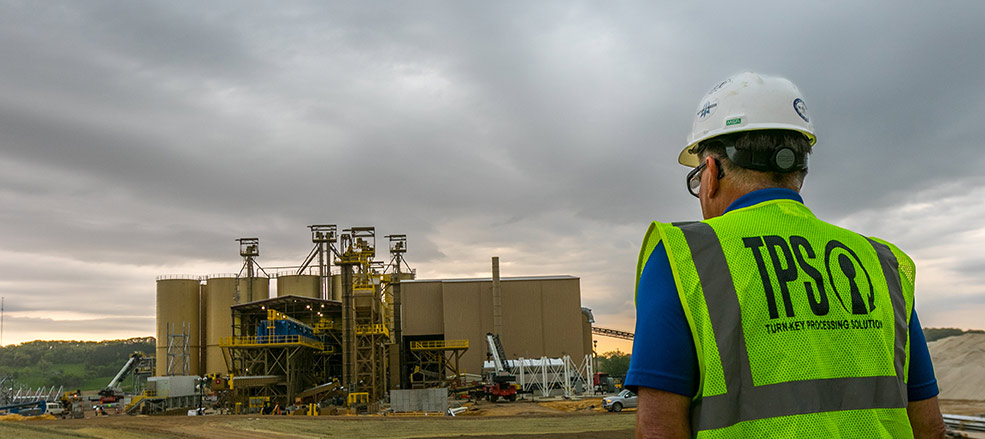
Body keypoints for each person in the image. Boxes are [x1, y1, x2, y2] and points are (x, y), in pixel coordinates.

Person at [625, 72, 946, 438]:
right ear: (799, 171)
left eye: (697, 178)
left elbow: (658, 428)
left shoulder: (683, 258)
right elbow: (929, 427)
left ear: (711, 172)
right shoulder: (882, 264)